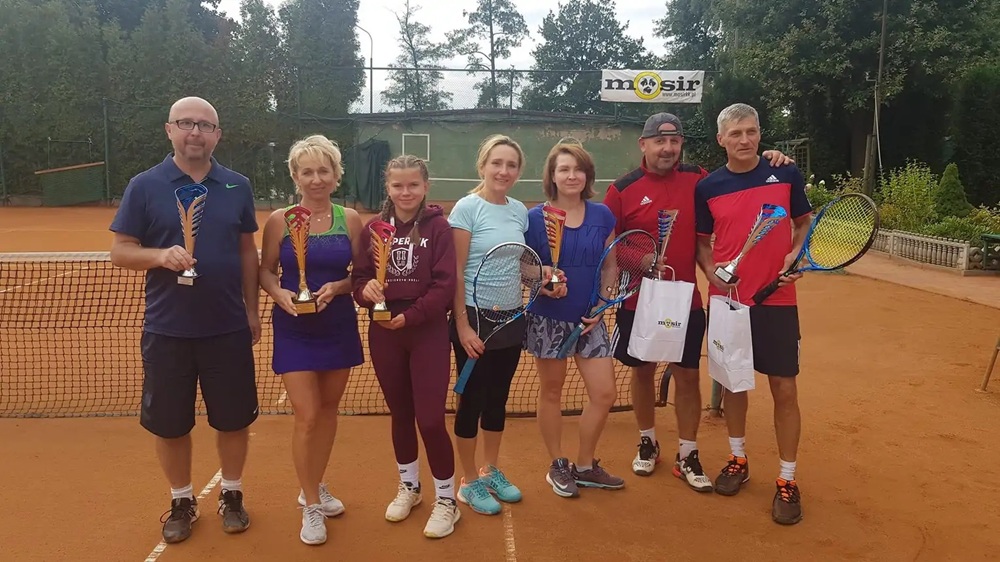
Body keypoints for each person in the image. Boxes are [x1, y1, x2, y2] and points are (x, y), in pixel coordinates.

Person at [603, 112, 792, 490]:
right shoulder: (621, 189)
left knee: (688, 375)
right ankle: (648, 440)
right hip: (638, 301)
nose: (667, 148)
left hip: (686, 301)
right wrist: (640, 259)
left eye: (674, 141)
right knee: (642, 372)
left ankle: (687, 452)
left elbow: (737, 178)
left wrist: (771, 158)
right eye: (659, 141)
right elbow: (609, 246)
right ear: (644, 144)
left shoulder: (699, 180)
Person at [109, 96, 257, 543]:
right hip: (167, 330)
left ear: (218, 135)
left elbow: (247, 253)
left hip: (227, 327)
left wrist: (252, 311)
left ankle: (232, 493)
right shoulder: (144, 185)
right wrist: (159, 255)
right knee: (170, 424)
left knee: (233, 420)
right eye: (187, 123)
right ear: (169, 129)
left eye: (205, 125)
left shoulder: (237, 185)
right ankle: (182, 499)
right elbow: (121, 251)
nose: (196, 132)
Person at [694, 103, 811, 525]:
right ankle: (738, 459)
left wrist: (794, 255)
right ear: (721, 140)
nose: (745, 140)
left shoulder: (785, 172)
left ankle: (787, 479)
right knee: (733, 384)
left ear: (760, 134)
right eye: (736, 133)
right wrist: (711, 273)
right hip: (729, 302)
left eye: (751, 131)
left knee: (784, 389)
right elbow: (702, 243)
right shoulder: (708, 187)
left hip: (777, 300)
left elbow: (803, 223)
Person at [259, 134, 364, 545]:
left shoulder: (349, 219)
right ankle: (311, 505)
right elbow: (266, 270)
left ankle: (315, 484)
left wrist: (339, 287)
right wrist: (279, 293)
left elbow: (362, 274)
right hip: (294, 326)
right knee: (306, 415)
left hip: (337, 324)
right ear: (295, 176)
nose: (316, 179)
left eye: (324, 171)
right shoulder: (279, 220)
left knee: (329, 410)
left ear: (336, 175)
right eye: (307, 172)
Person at [350, 155, 461, 538]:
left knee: (430, 419)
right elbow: (359, 279)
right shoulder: (373, 230)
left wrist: (411, 316)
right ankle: (410, 487)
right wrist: (365, 291)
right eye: (398, 185)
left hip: (426, 330)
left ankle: (446, 500)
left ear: (425, 186)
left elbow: (445, 285)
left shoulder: (439, 228)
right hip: (384, 332)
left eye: (413, 184)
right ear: (388, 188)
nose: (406, 192)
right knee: (400, 414)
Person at [523, 141, 624, 498]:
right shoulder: (533, 218)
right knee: (552, 392)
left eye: (578, 169)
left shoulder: (602, 215)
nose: (571, 175)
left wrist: (602, 304)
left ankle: (584, 466)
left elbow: (610, 264)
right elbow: (522, 266)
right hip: (548, 319)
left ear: (587, 175)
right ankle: (557, 464)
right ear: (552, 176)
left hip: (591, 319)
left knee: (604, 393)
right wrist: (542, 280)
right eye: (563, 169)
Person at [449, 134, 530, 515]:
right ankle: (468, 481)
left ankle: (490, 469)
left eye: (511, 165)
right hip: (474, 317)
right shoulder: (467, 208)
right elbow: (456, 272)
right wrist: (463, 326)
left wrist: (547, 274)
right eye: (496, 163)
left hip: (512, 316)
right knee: (472, 401)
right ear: (482, 166)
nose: (503, 171)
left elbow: (520, 265)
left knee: (498, 399)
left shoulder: (519, 211)